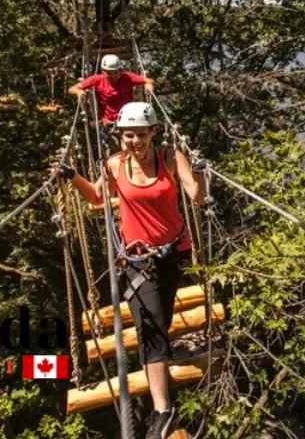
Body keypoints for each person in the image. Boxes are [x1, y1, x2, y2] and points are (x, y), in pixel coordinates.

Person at [54, 102, 205, 439]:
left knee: (160, 320)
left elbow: (196, 195)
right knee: (150, 327)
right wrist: (72, 175)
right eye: (127, 134)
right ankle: (163, 409)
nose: (134, 140)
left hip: (174, 252)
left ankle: (155, 368)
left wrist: (199, 172)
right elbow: (96, 197)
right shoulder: (114, 164)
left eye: (140, 133)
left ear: (153, 132)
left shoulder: (169, 158)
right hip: (137, 259)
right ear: (119, 135)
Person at [69, 55, 155, 126]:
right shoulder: (97, 79)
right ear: (103, 71)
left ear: (119, 70)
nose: (113, 75)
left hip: (128, 119)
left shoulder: (128, 77)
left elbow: (149, 80)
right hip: (108, 122)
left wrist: (148, 84)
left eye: (116, 72)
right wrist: (79, 91)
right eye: (109, 73)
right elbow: (72, 88)